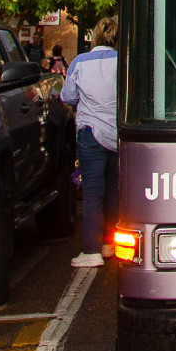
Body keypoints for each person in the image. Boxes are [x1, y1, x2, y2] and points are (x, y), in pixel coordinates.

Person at [60, 18, 118, 268]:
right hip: (117, 133)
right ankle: (109, 243)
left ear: (94, 36)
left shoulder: (79, 62)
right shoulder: (123, 60)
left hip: (90, 133)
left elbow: (68, 96)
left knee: (93, 192)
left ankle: (91, 250)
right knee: (114, 189)